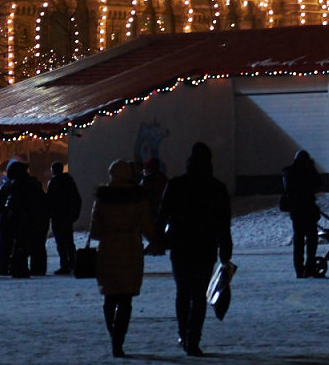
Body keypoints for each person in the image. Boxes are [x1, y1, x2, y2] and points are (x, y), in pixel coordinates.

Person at [156, 142, 233, 356]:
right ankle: (193, 338)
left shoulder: (177, 184)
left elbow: (163, 214)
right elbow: (223, 222)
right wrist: (225, 247)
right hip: (205, 245)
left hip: (181, 245)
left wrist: (158, 240)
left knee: (183, 291)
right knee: (199, 294)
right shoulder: (217, 188)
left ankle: (183, 333)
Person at [91, 159, 155, 358]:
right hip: (130, 247)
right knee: (126, 298)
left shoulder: (103, 197)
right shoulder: (139, 197)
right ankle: (119, 338)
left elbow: (94, 231)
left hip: (109, 247)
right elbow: (147, 227)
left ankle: (113, 332)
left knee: (110, 296)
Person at [280, 149, 323, 277]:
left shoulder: (289, 173)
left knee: (299, 240)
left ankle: (299, 269)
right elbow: (317, 183)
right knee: (311, 239)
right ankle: (310, 267)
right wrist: (312, 167)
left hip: (296, 211)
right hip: (307, 209)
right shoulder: (306, 172)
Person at [4, 159, 49, 277]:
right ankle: (36, 268)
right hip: (34, 218)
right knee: (36, 245)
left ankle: (20, 268)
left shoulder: (17, 186)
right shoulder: (32, 184)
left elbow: (16, 203)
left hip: (24, 219)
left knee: (22, 244)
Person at [47, 162, 83, 274]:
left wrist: (49, 212)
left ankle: (65, 264)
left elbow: (50, 200)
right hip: (67, 216)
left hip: (58, 216)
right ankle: (72, 262)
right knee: (68, 240)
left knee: (61, 242)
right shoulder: (69, 182)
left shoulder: (54, 183)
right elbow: (77, 199)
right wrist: (74, 214)